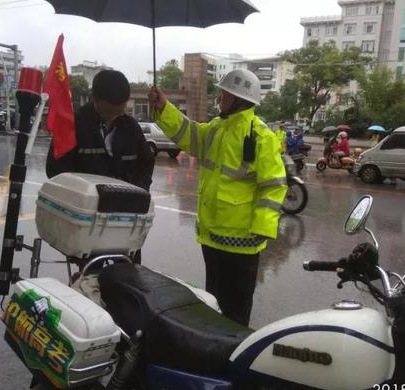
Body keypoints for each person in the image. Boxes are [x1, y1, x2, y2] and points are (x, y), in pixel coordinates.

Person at [148, 69, 287, 326]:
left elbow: (274, 186)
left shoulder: (261, 136)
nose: (219, 97)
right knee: (213, 304)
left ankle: (232, 355)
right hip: (212, 237)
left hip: (242, 241)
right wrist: (164, 108)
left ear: (239, 98)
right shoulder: (216, 129)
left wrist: (263, 226)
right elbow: (188, 135)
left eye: (224, 93)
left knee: (236, 311)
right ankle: (214, 352)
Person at [46, 69, 154, 191]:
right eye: (108, 113)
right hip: (82, 204)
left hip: (124, 203)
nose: (112, 118)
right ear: (94, 98)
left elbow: (146, 163)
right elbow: (55, 170)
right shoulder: (72, 125)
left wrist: (138, 190)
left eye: (119, 112)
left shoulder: (131, 127)